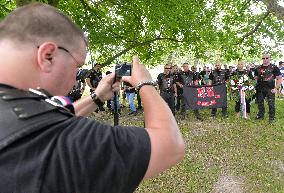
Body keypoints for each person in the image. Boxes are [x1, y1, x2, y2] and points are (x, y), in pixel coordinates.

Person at [0, 3, 185, 193]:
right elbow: (170, 144)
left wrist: (96, 98)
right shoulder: (65, 140)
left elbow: (44, 119)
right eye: (77, 66)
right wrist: (145, 84)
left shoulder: (17, 110)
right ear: (48, 56)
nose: (75, 77)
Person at [254, 53, 282, 123]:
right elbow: (255, 78)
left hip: (270, 89)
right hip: (260, 89)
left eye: (267, 58)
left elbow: (279, 78)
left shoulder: (274, 68)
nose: (265, 59)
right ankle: (260, 115)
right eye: (263, 58)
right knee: (260, 103)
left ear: (270, 58)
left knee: (271, 104)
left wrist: (276, 88)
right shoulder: (257, 68)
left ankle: (272, 117)